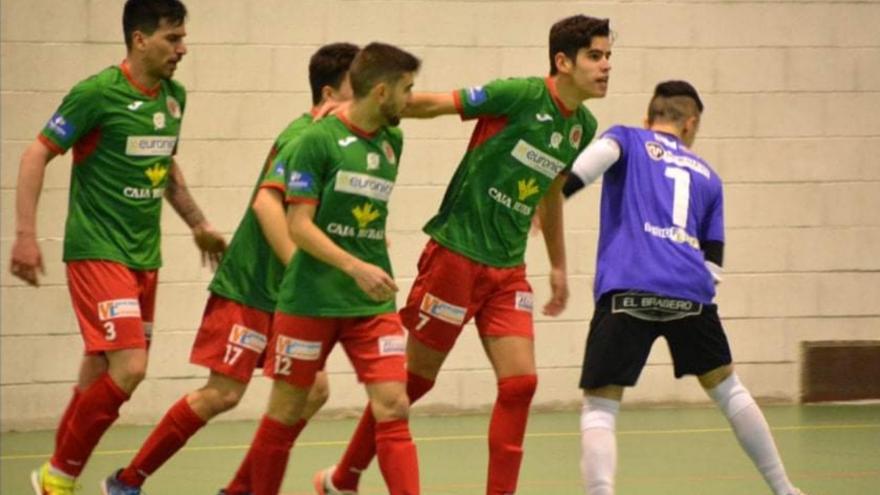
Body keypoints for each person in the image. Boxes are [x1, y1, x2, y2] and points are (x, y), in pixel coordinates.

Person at [315, 14, 612, 495]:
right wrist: (355, 109)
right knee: (412, 384)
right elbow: (434, 104)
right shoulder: (520, 94)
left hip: (507, 272)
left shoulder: (582, 125)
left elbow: (551, 192)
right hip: (455, 257)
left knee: (520, 386)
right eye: (595, 56)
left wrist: (558, 263)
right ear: (563, 61)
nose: (605, 67)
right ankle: (344, 477)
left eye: (608, 57)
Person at [99, 42, 361, 495]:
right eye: (359, 90)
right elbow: (267, 204)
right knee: (223, 394)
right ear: (329, 93)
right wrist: (300, 267)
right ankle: (126, 481)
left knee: (314, 390)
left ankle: (240, 488)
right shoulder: (302, 137)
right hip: (251, 287)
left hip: (291, 299)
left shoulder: (348, 146)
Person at [9, 1, 227, 494]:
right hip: (97, 250)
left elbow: (166, 167)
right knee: (130, 368)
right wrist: (24, 234)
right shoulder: (97, 94)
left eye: (183, 37)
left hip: (144, 257)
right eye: (173, 38)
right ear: (139, 39)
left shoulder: (174, 98)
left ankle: (54, 471)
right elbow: (36, 153)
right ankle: (58, 478)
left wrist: (197, 222)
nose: (182, 49)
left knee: (98, 368)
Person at [563, 80, 805, 495]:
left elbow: (591, 163)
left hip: (628, 288)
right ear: (690, 124)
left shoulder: (628, 137)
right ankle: (785, 490)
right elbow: (714, 260)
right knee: (729, 390)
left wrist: (556, 196)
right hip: (689, 292)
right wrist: (690, 289)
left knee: (601, 407)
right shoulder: (709, 177)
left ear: (649, 117)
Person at [224, 42, 422, 495]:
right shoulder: (316, 141)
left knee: (394, 406)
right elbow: (298, 225)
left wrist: (364, 249)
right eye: (407, 89)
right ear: (380, 92)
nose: (412, 100)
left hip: (371, 301)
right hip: (311, 299)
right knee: (285, 412)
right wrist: (354, 265)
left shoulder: (393, 140)